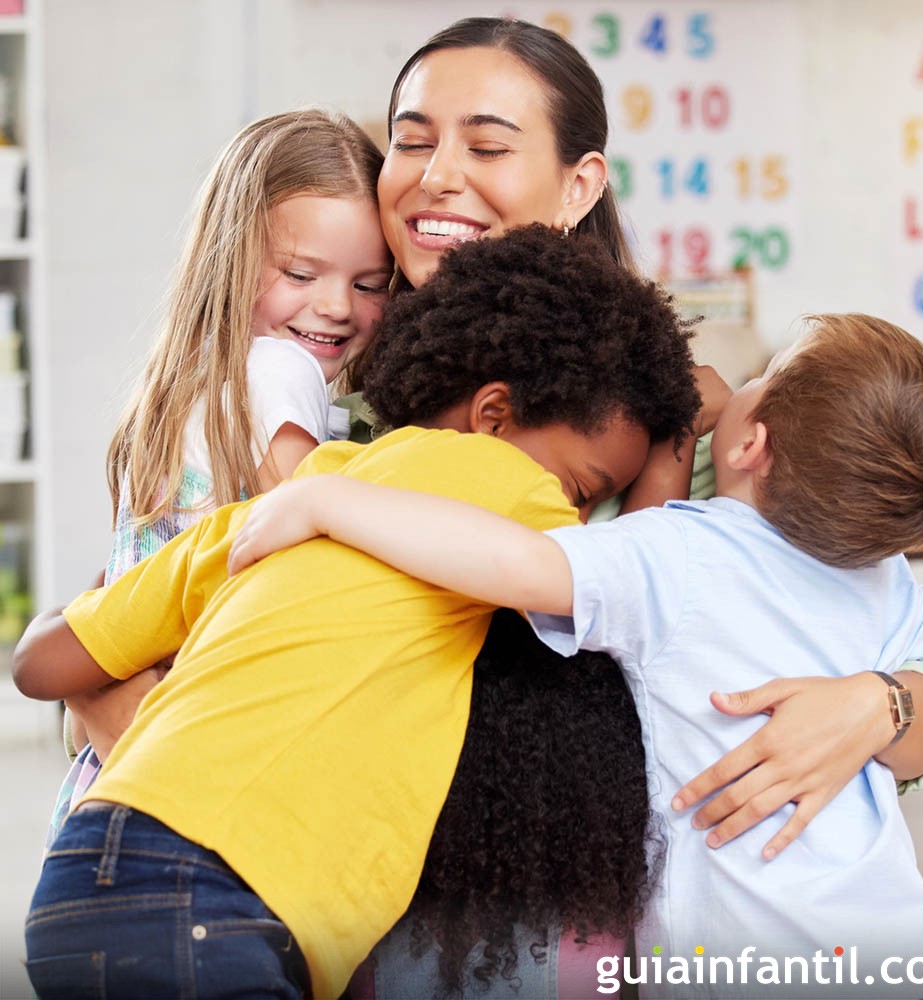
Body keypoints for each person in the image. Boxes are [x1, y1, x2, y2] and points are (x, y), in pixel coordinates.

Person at [14, 225, 701, 1000]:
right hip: (220, 899)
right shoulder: (503, 483)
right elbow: (620, 580)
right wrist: (674, 444)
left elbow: (41, 663)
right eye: (581, 488)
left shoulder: (274, 513)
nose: (575, 513)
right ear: (494, 413)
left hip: (85, 870)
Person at [228, 312, 923, 998]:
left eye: (763, 375)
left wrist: (325, 499)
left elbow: (514, 561)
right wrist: (876, 693)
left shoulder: (682, 554)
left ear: (753, 440)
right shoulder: (882, 572)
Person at [47, 107, 393, 845]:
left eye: (371, 283)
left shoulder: (189, 386)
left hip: (112, 790)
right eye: (301, 273)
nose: (336, 306)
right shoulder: (277, 369)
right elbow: (318, 530)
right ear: (231, 258)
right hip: (196, 778)